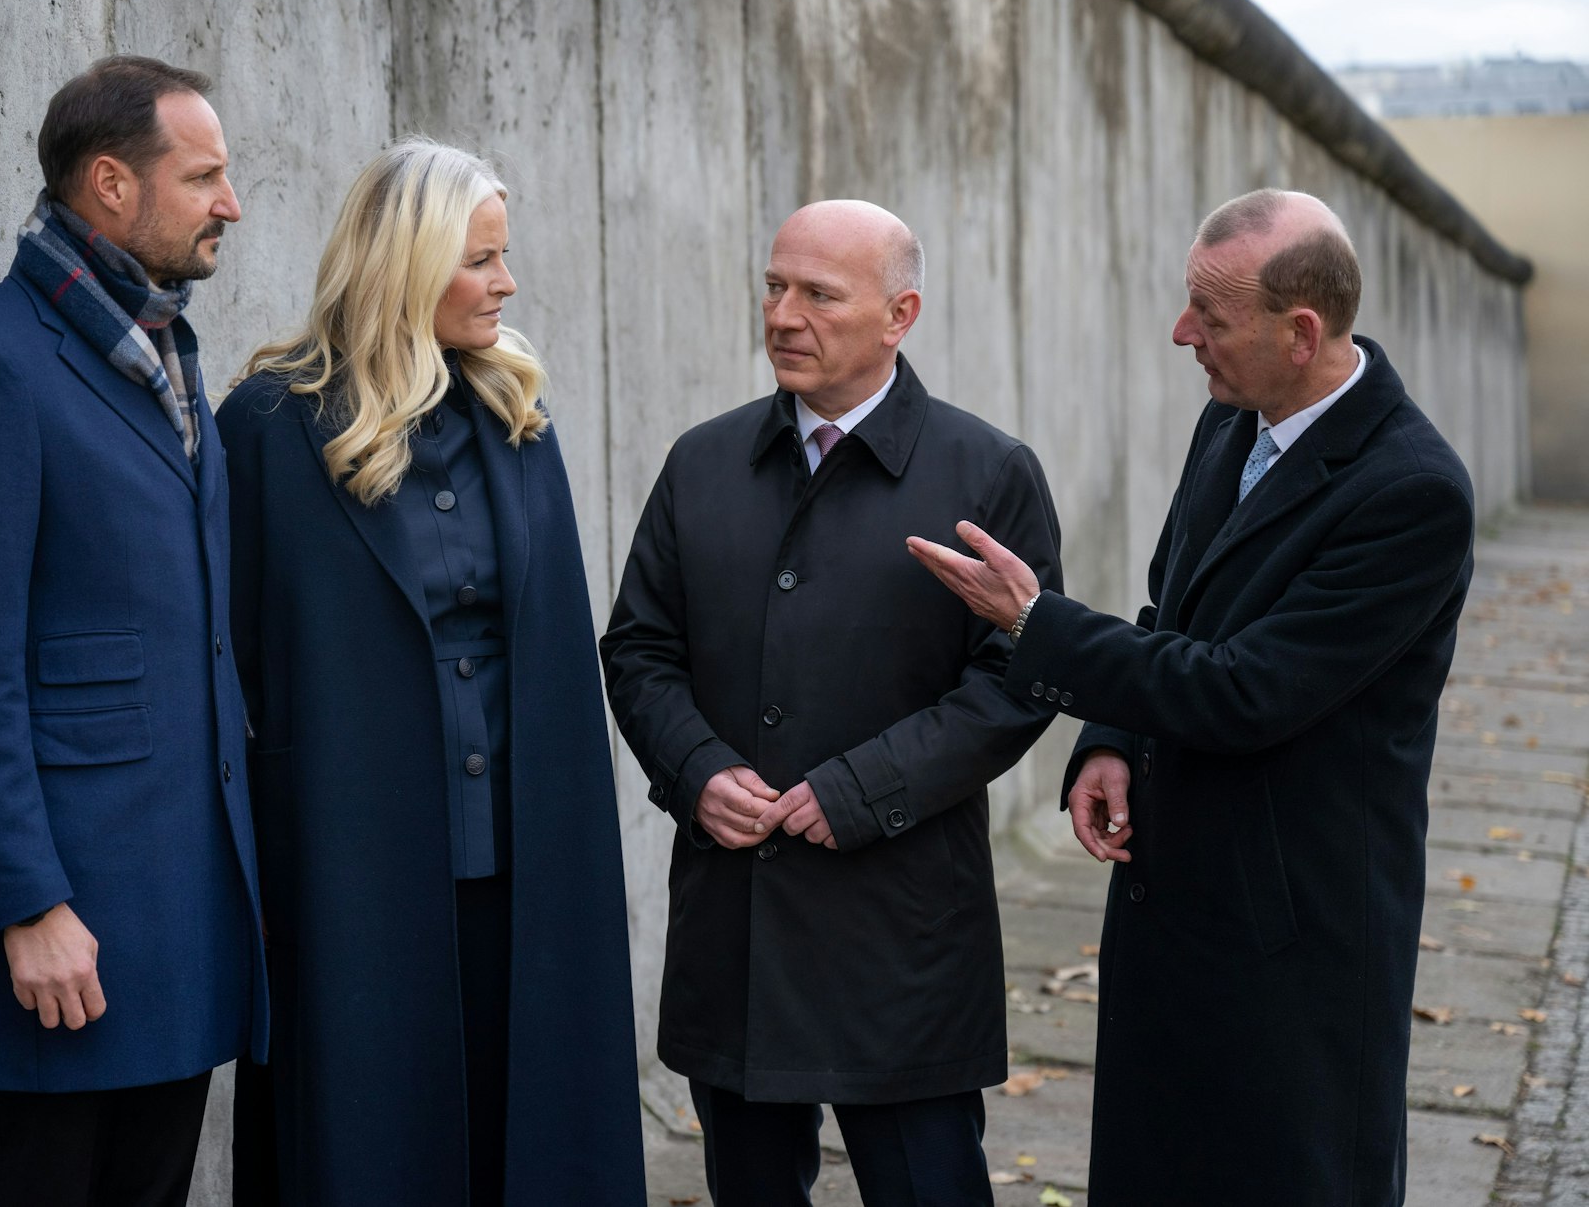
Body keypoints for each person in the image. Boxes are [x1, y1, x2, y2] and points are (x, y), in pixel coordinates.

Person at [909, 189, 1474, 1205]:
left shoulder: (1411, 491)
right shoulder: (1232, 422)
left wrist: (1036, 622)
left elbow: (1247, 689)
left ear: (1298, 333)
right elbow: (1170, 612)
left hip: (1295, 935)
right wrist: (1110, 740)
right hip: (1171, 897)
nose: (1182, 335)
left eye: (1208, 318)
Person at [601, 199, 1064, 1207]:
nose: (782, 314)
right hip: (735, 921)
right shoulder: (702, 461)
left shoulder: (985, 472)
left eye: (817, 293)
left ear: (898, 315)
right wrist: (695, 769)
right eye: (774, 285)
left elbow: (1017, 681)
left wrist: (856, 791)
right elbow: (637, 645)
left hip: (897, 932)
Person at [216, 138, 645, 1205]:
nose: (505, 283)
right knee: (369, 1140)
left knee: (531, 1136)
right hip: (347, 867)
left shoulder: (519, 418)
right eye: (479, 260)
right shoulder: (269, 427)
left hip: (526, 856)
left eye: (505, 257)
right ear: (402, 266)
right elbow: (235, 667)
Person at [0, 55, 266, 1207]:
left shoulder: (168, 354)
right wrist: (25, 904)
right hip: (68, 912)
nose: (230, 202)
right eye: (203, 176)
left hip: (180, 898)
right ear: (109, 183)